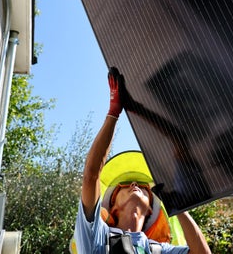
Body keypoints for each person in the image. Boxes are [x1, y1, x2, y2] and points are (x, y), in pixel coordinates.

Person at [73, 67, 211, 254]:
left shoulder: (157, 250)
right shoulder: (97, 238)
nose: (135, 184)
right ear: (112, 208)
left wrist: (179, 209)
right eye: (124, 185)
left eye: (145, 188)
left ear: (149, 210)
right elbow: (91, 176)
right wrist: (114, 113)